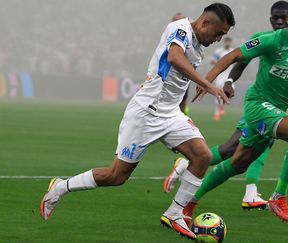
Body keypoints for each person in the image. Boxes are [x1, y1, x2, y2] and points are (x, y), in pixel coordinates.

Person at [39, 3, 235, 240]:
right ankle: (61, 186)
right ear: (205, 23)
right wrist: (206, 84)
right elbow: (174, 57)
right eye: (218, 33)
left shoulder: (198, 44)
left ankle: (174, 212)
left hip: (171, 113)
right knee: (116, 176)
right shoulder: (180, 28)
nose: (218, 39)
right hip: (146, 113)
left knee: (202, 156)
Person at [163, 0, 288, 212]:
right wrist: (215, 81)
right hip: (259, 106)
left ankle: (191, 198)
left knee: (237, 159)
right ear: (284, 20)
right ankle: (272, 196)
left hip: (277, 109)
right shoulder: (267, 40)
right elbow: (236, 58)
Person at [171, 12, 192, 116]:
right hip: (168, 75)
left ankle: (182, 118)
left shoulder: (189, 37)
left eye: (182, 20)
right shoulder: (168, 36)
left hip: (183, 75)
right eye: (176, 21)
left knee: (182, 101)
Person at [211, 36, 234, 120]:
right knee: (218, 93)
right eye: (226, 42)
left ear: (230, 43)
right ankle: (217, 113)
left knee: (231, 92)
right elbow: (212, 61)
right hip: (220, 75)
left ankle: (222, 106)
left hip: (230, 75)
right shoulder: (219, 51)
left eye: (229, 42)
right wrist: (221, 63)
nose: (227, 43)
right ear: (224, 42)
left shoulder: (232, 51)